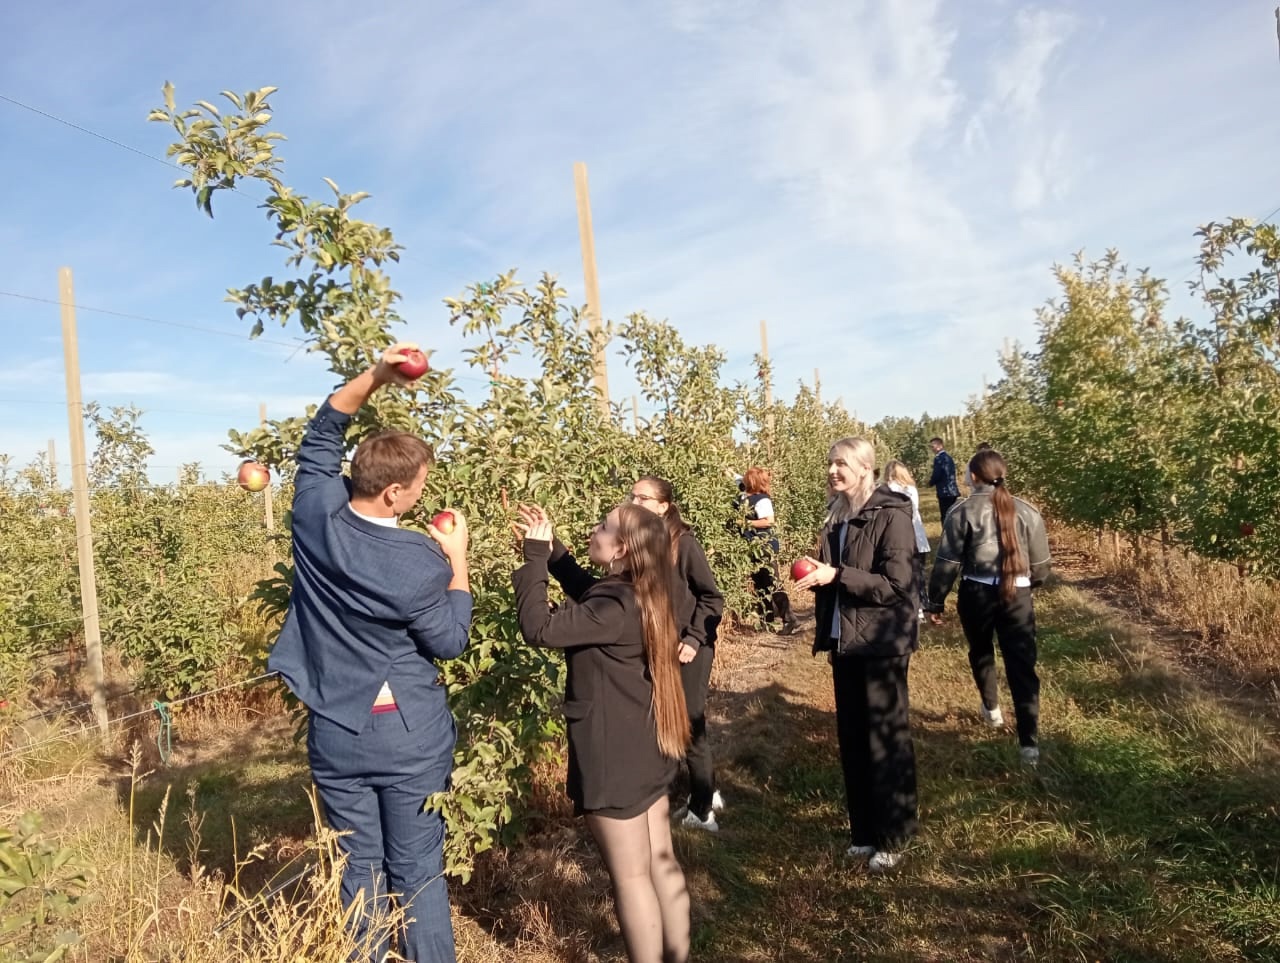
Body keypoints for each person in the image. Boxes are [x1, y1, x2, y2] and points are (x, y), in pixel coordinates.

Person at [268, 344, 471, 963]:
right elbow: (449, 641)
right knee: (417, 865)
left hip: (335, 725)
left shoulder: (313, 515)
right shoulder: (416, 560)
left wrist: (378, 376)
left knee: (358, 862)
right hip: (406, 731)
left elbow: (323, 431)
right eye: (417, 488)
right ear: (393, 495)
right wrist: (457, 560)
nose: (419, 495)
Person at [512, 502, 692, 963]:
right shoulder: (640, 589)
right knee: (661, 863)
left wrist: (533, 559)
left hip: (615, 756)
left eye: (602, 526)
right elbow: (592, 595)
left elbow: (538, 628)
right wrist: (556, 555)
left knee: (632, 879)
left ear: (623, 548)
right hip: (646, 746)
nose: (594, 530)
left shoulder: (615, 604)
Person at [793, 438, 919, 872]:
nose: (832, 470)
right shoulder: (837, 517)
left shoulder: (891, 514)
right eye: (829, 462)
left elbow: (897, 583)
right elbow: (839, 577)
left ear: (866, 468)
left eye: (841, 463)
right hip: (844, 641)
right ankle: (864, 832)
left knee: (885, 739)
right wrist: (819, 570)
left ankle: (895, 834)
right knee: (852, 739)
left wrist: (837, 574)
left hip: (881, 643)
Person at [925, 449, 1051, 766]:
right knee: (1022, 666)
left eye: (967, 472)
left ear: (975, 476)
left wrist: (935, 601)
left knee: (981, 651)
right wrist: (1026, 586)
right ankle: (1029, 744)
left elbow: (947, 562)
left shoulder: (961, 511)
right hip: (1017, 595)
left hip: (976, 592)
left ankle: (992, 710)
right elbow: (1041, 567)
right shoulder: (1027, 511)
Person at [630, 475, 726, 832]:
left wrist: (695, 637)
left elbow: (712, 596)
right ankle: (706, 790)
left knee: (689, 723)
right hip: (661, 647)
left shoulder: (683, 544)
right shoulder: (644, 544)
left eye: (643, 498)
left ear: (663, 506)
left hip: (689, 649)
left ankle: (702, 811)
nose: (634, 503)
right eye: (632, 497)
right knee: (671, 721)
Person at [739, 467, 797, 635]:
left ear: (752, 481)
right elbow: (735, 478)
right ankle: (767, 621)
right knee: (760, 584)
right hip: (754, 547)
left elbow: (769, 521)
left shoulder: (762, 500)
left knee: (772, 583)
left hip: (764, 547)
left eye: (746, 478)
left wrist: (745, 523)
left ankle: (789, 618)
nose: (743, 480)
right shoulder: (747, 496)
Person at [883, 460, 931, 621]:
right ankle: (920, 609)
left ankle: (902, 609)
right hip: (918, 537)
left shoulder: (886, 490)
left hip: (899, 538)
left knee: (899, 575)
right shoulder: (911, 490)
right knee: (918, 574)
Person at [927, 436, 960, 520]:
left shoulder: (939, 459)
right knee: (953, 514)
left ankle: (946, 532)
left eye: (932, 446)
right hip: (952, 491)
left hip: (944, 491)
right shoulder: (948, 458)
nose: (932, 449)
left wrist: (930, 483)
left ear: (939, 446)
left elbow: (937, 474)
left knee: (945, 515)